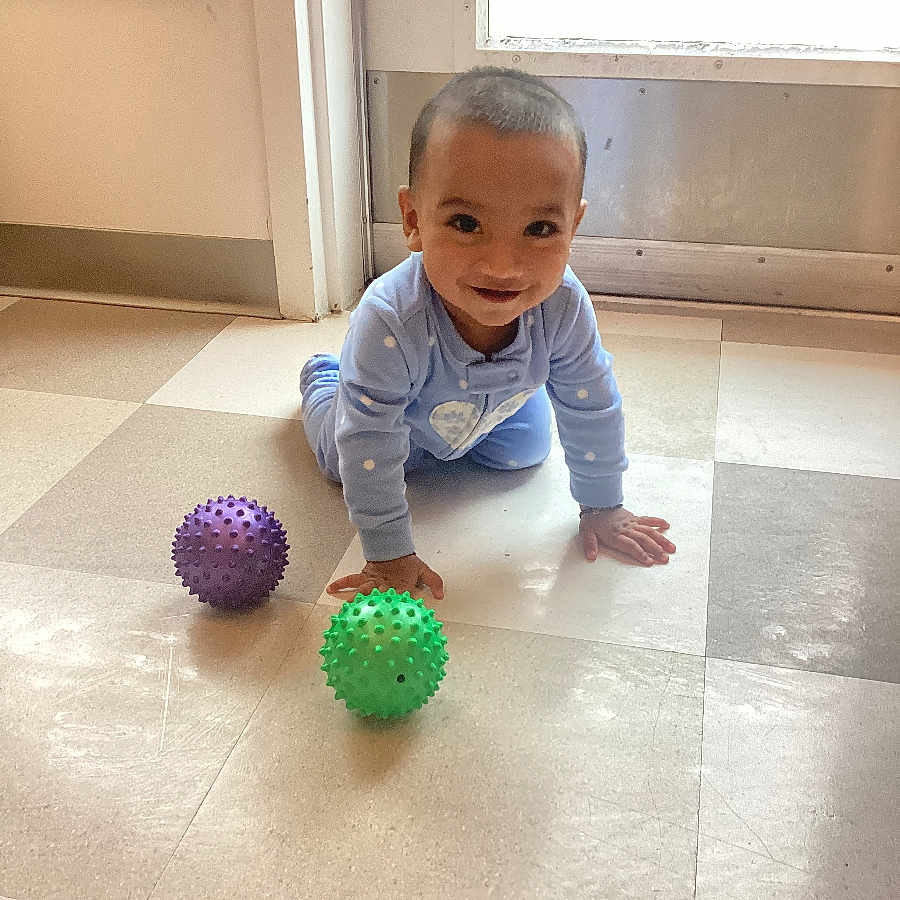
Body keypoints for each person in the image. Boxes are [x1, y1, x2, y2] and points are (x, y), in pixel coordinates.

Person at [300, 66, 675, 601]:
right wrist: (388, 554)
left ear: (573, 226)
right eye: (466, 224)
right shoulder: (388, 319)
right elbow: (370, 441)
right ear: (412, 219)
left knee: (525, 451)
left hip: (489, 409)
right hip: (389, 414)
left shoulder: (563, 305)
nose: (503, 266)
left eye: (539, 229)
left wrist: (603, 505)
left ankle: (498, 404)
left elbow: (591, 405)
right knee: (343, 459)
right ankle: (323, 380)